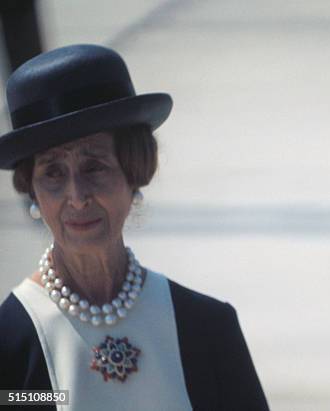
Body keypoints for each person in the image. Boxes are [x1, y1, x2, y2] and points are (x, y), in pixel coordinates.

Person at [0, 44, 269, 410]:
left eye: (94, 167)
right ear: (31, 188)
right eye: (53, 173)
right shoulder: (11, 345)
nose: (76, 197)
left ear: (134, 170)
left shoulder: (206, 330)